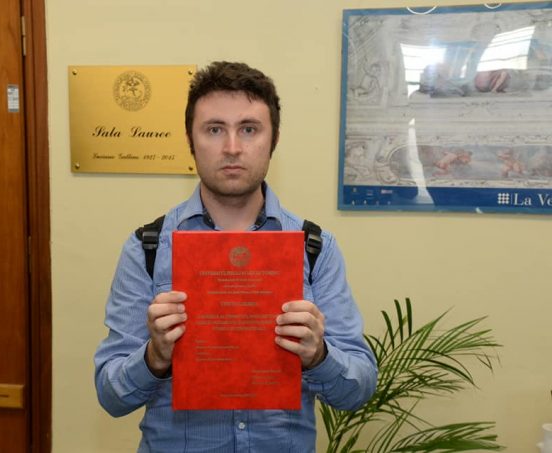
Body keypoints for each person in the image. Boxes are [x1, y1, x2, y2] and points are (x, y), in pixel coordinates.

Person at [94, 61, 377, 453]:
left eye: (249, 129)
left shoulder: (315, 248)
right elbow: (110, 396)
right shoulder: (148, 247)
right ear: (190, 140)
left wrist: (318, 355)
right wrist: (154, 356)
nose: (232, 148)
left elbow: (359, 389)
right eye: (214, 129)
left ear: (274, 139)